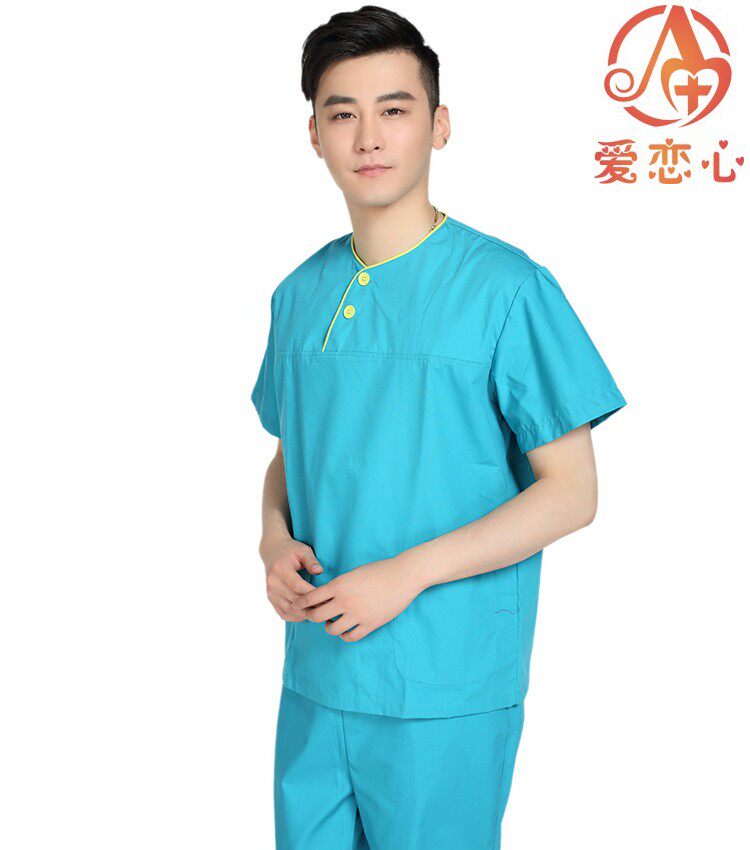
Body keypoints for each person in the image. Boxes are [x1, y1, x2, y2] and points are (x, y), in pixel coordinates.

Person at [251, 6, 627, 849]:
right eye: (342, 114)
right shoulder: (298, 294)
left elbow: (572, 493)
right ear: (313, 135)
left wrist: (407, 575)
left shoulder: (506, 289)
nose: (369, 137)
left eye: (395, 109)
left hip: (442, 683)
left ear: (439, 124)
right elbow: (290, 453)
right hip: (316, 676)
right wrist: (273, 540)